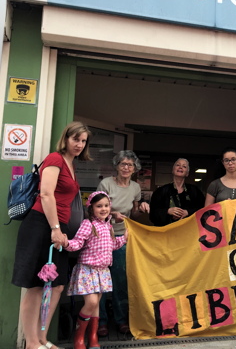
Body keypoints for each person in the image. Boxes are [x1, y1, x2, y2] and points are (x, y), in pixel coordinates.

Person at [11, 121, 92, 349]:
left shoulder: (72, 164)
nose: (79, 144)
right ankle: (31, 343)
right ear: (66, 138)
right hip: (42, 225)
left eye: (83, 141)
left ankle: (43, 339)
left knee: (56, 285)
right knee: (36, 285)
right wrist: (55, 229)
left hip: (60, 228)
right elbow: (46, 194)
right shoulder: (55, 159)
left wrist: (62, 229)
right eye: (76, 139)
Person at [63, 191, 128, 349]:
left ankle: (92, 338)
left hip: (103, 271)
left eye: (106, 205)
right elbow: (77, 243)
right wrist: (66, 243)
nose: (104, 209)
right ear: (91, 208)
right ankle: (79, 338)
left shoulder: (108, 226)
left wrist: (124, 237)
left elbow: (112, 245)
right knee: (91, 302)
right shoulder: (88, 224)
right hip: (88, 270)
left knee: (96, 305)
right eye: (99, 206)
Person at [96, 150, 149, 336]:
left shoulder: (135, 188)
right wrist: (112, 215)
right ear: (117, 166)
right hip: (102, 237)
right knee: (101, 283)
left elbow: (133, 214)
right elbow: (96, 210)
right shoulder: (106, 184)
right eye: (123, 164)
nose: (126, 168)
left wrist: (141, 209)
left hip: (122, 239)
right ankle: (100, 322)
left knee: (120, 282)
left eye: (130, 165)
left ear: (135, 169)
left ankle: (120, 320)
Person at [149, 158, 205, 226]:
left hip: (188, 231)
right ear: (172, 170)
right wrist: (167, 211)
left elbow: (203, 209)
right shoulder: (160, 191)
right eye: (178, 165)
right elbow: (152, 214)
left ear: (187, 173)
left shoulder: (195, 190)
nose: (180, 167)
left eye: (184, 166)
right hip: (165, 232)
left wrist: (188, 212)